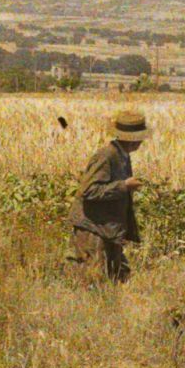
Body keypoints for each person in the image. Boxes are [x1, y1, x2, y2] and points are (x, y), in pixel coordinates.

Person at [68, 109, 150, 283]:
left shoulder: (123, 156)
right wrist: (124, 186)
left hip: (107, 227)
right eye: (140, 137)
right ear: (132, 138)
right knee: (92, 279)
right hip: (93, 227)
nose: (142, 141)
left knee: (115, 278)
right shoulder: (106, 156)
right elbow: (89, 190)